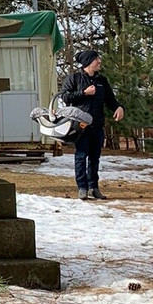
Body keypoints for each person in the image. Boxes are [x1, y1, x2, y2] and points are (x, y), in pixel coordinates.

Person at [60, 49, 124, 200]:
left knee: (95, 158)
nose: (99, 62)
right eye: (97, 59)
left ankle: (93, 188)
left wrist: (119, 107)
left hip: (97, 125)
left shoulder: (102, 81)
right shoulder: (74, 78)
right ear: (88, 62)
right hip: (80, 126)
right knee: (81, 156)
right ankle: (82, 188)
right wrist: (84, 93)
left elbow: (110, 100)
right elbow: (65, 97)